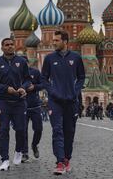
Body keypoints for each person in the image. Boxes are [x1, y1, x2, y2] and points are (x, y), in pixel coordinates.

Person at [41, 30, 85, 175]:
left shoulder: (76, 58)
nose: (54, 43)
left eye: (57, 40)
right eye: (53, 40)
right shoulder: (49, 58)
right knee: (57, 130)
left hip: (71, 101)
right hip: (55, 101)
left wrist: (75, 91)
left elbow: (81, 77)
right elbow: (44, 79)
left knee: (69, 132)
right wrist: (51, 91)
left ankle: (67, 159)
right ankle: (59, 162)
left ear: (65, 42)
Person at [0, 38, 31, 171]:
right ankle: (5, 159)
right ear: (2, 48)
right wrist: (5, 88)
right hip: (3, 101)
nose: (10, 47)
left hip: (19, 102)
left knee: (20, 130)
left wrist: (23, 87)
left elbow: (28, 79)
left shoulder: (22, 61)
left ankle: (18, 150)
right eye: (7, 45)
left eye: (12, 45)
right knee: (4, 131)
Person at [21, 56, 44, 163]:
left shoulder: (35, 72)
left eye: (25, 63)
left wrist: (34, 87)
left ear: (28, 63)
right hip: (22, 106)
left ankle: (34, 145)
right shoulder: (17, 74)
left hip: (35, 105)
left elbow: (43, 84)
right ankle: (25, 153)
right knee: (23, 131)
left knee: (38, 129)